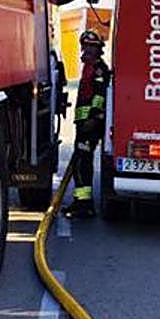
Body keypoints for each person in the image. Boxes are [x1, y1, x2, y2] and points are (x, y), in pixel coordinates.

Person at [63, 30, 110, 219]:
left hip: (90, 125)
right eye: (85, 45)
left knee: (82, 162)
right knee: (80, 161)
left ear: (99, 49)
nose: (87, 49)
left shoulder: (99, 70)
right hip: (84, 124)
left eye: (92, 46)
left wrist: (93, 118)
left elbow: (99, 96)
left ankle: (84, 204)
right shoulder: (89, 67)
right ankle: (81, 201)